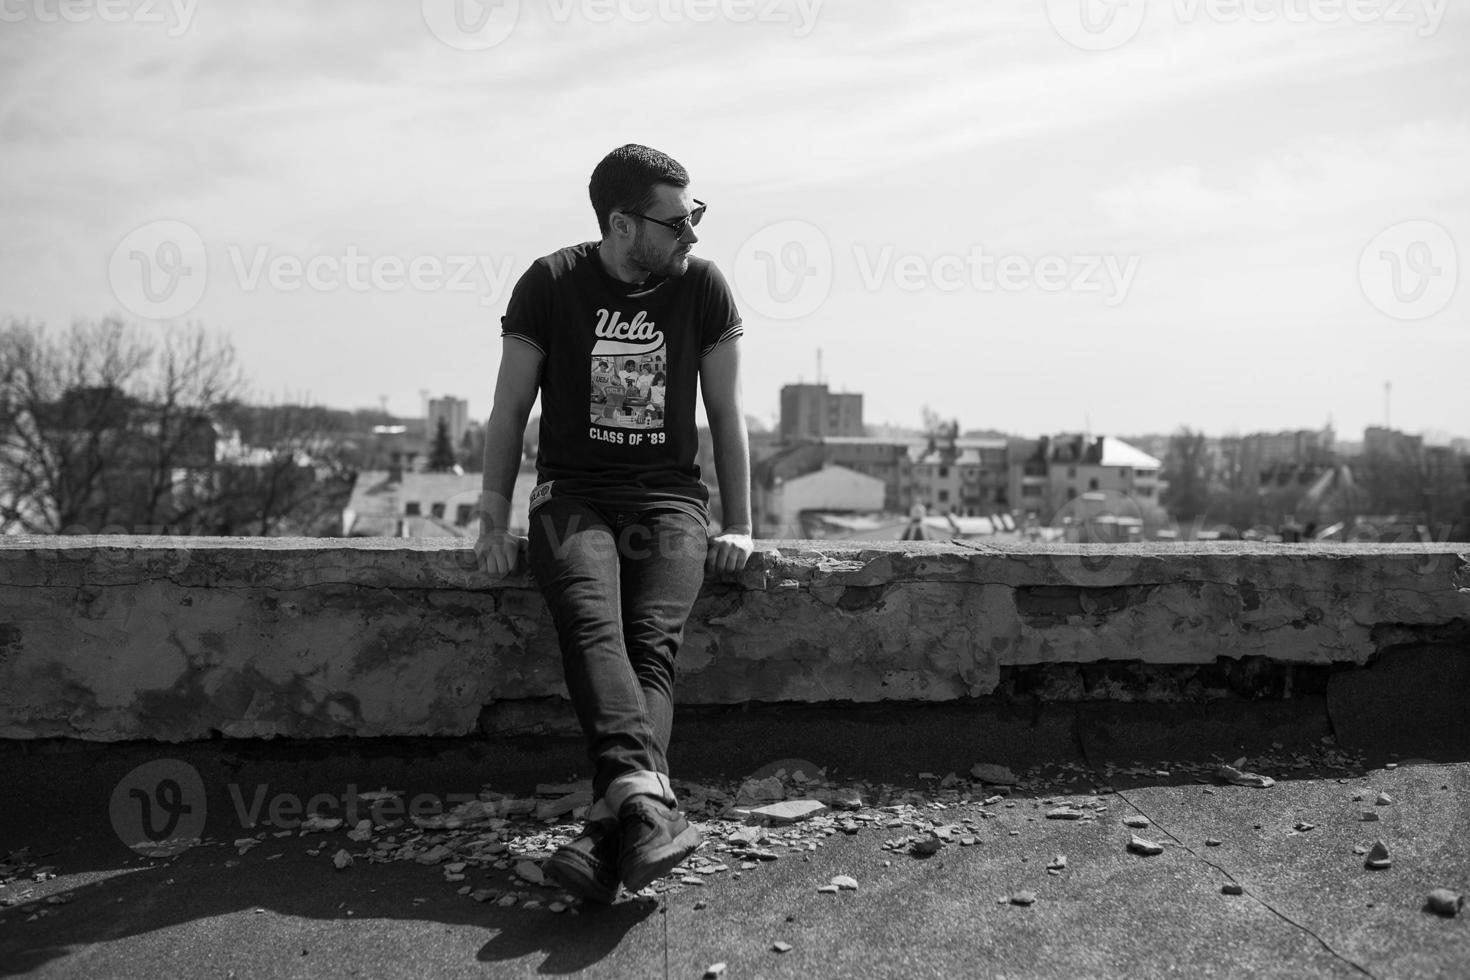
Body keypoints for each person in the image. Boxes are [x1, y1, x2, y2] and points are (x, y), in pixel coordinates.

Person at [475, 143, 753, 904]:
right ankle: (644, 811)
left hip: (670, 501)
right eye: (677, 221)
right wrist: (492, 522)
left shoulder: (701, 287)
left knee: (650, 642)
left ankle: (613, 824)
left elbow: (726, 413)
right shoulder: (552, 281)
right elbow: (507, 411)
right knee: (591, 621)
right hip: (574, 498)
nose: (692, 236)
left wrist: (744, 523)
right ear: (623, 223)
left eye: (696, 215)